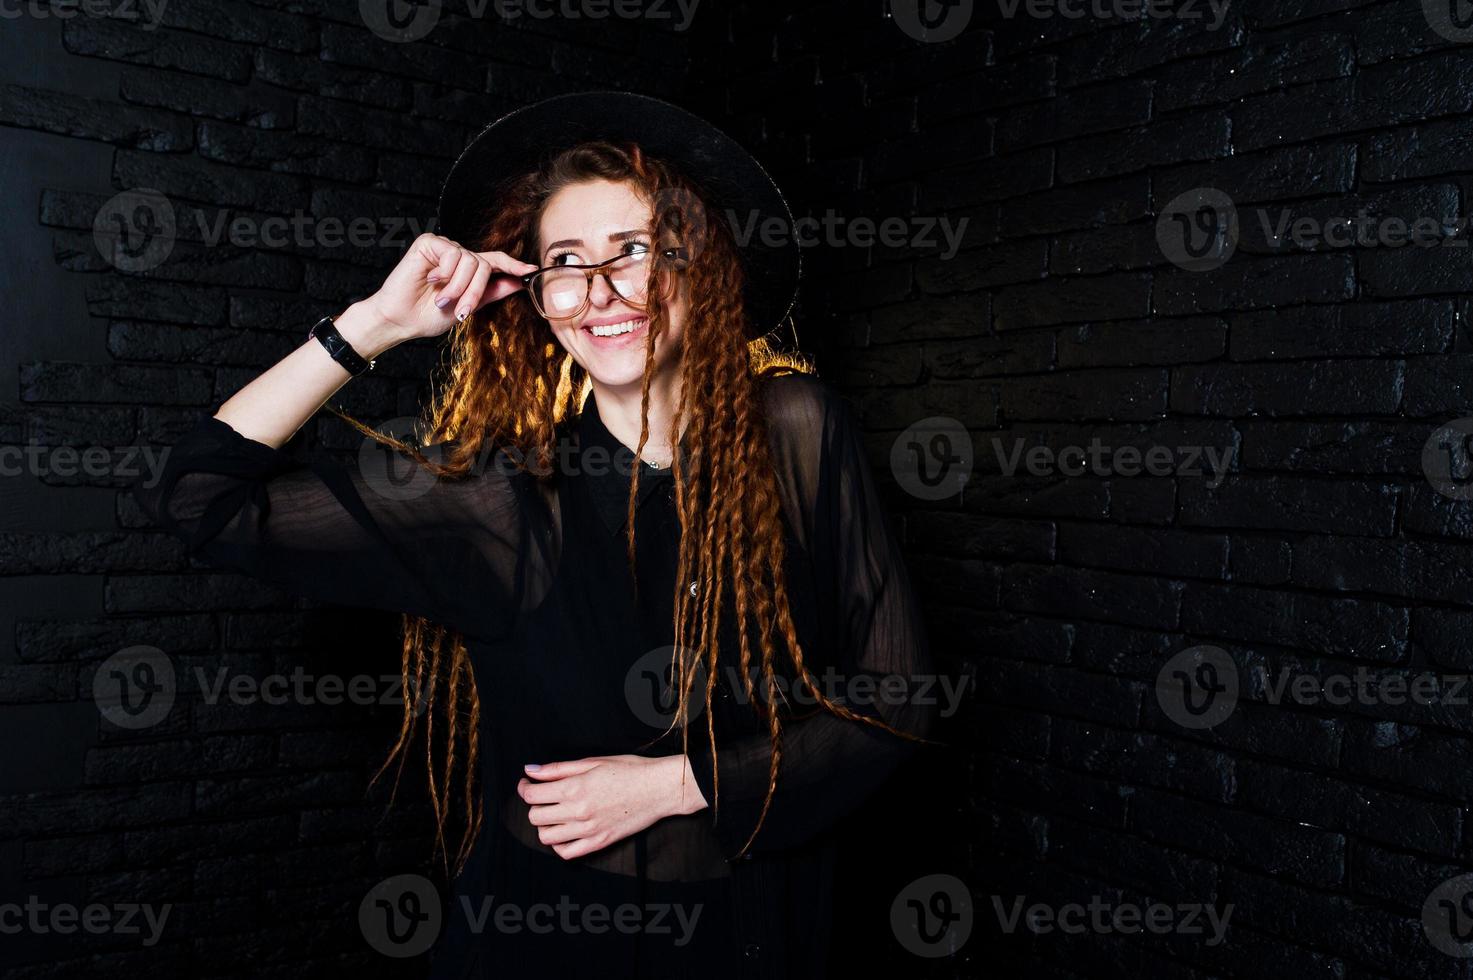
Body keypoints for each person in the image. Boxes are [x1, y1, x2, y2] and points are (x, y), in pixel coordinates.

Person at [132, 91, 938, 979]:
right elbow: (200, 496)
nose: (601, 292)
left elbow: (897, 701)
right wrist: (378, 324)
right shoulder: (502, 496)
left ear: (694, 266)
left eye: (632, 251)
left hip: (769, 928)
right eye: (565, 263)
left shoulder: (797, 427)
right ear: (540, 298)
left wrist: (675, 784)